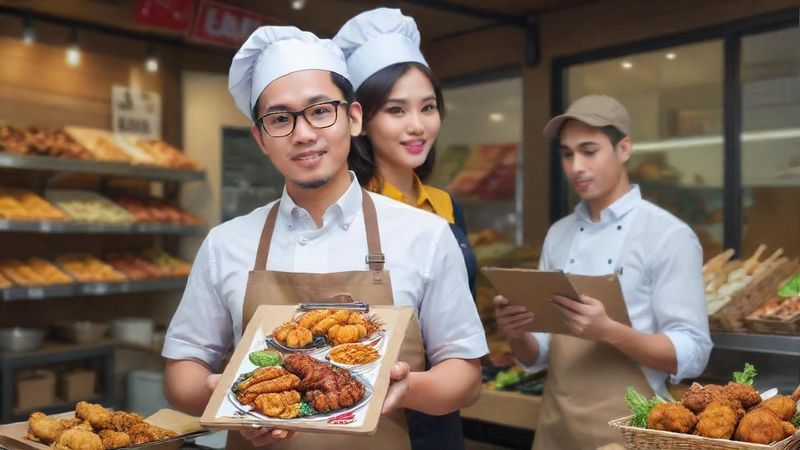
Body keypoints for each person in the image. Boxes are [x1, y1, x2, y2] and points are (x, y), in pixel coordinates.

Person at [161, 26, 488, 450]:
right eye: (280, 119)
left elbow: (465, 376)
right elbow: (180, 373)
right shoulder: (226, 243)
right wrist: (224, 393)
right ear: (260, 138)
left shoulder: (425, 235)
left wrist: (408, 390)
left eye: (320, 111)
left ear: (352, 118)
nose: (303, 133)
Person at [494, 95, 712, 450]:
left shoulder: (668, 235)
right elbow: (540, 353)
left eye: (589, 151)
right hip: (557, 427)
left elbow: (693, 351)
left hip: (633, 428)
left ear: (624, 149)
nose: (576, 166)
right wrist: (517, 333)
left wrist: (610, 332)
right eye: (567, 154)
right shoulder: (558, 234)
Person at [334, 9, 477, 450]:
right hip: (361, 419)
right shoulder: (346, 214)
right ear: (361, 121)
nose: (418, 125)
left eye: (428, 107)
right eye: (396, 110)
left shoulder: (445, 208)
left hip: (440, 416)